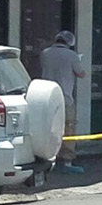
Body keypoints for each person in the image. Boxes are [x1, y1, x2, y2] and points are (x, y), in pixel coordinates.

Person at [40, 30, 86, 174]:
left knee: (48, 130)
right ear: (70, 42)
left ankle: (47, 160)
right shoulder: (71, 55)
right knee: (69, 129)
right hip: (65, 98)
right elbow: (81, 74)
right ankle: (67, 161)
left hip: (47, 98)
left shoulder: (45, 53)